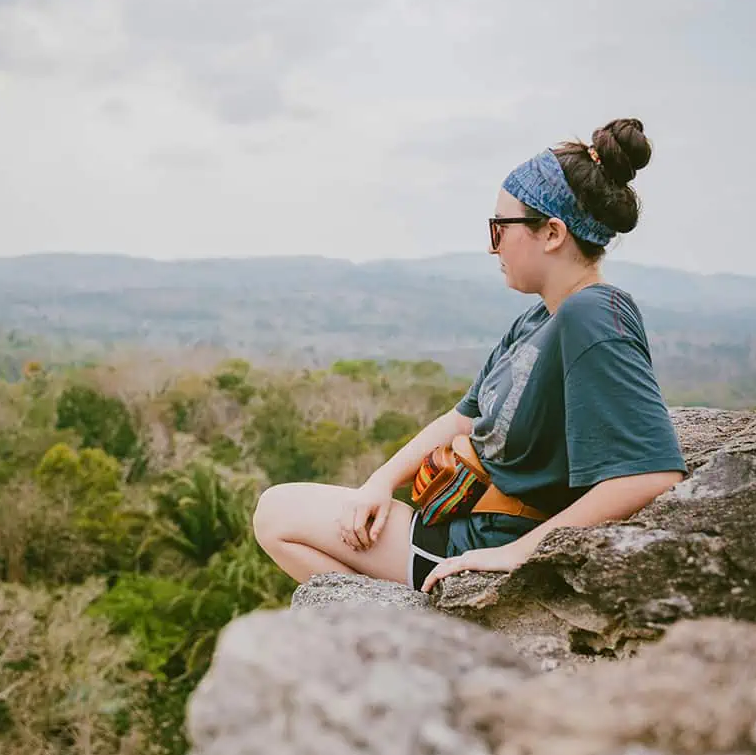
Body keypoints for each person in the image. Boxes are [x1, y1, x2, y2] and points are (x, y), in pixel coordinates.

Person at [252, 118, 688, 594]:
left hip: (479, 541)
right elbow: (464, 418)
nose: (491, 243)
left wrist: (517, 553)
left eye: (501, 227)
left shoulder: (594, 312)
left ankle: (405, 629)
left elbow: (651, 474)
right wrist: (377, 484)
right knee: (282, 511)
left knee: (276, 514)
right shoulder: (541, 318)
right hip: (455, 519)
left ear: (552, 233)